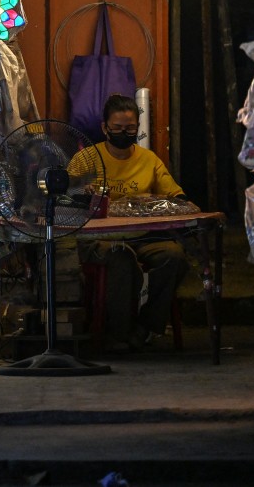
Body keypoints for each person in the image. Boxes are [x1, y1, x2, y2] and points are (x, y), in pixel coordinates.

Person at [79, 94, 190, 352]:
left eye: (130, 128)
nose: (123, 133)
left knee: (173, 256)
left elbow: (177, 196)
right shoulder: (87, 159)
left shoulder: (149, 160)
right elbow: (65, 196)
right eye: (117, 128)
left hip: (143, 236)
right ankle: (118, 333)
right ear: (104, 127)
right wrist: (84, 193)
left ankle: (146, 326)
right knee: (121, 257)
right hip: (98, 239)